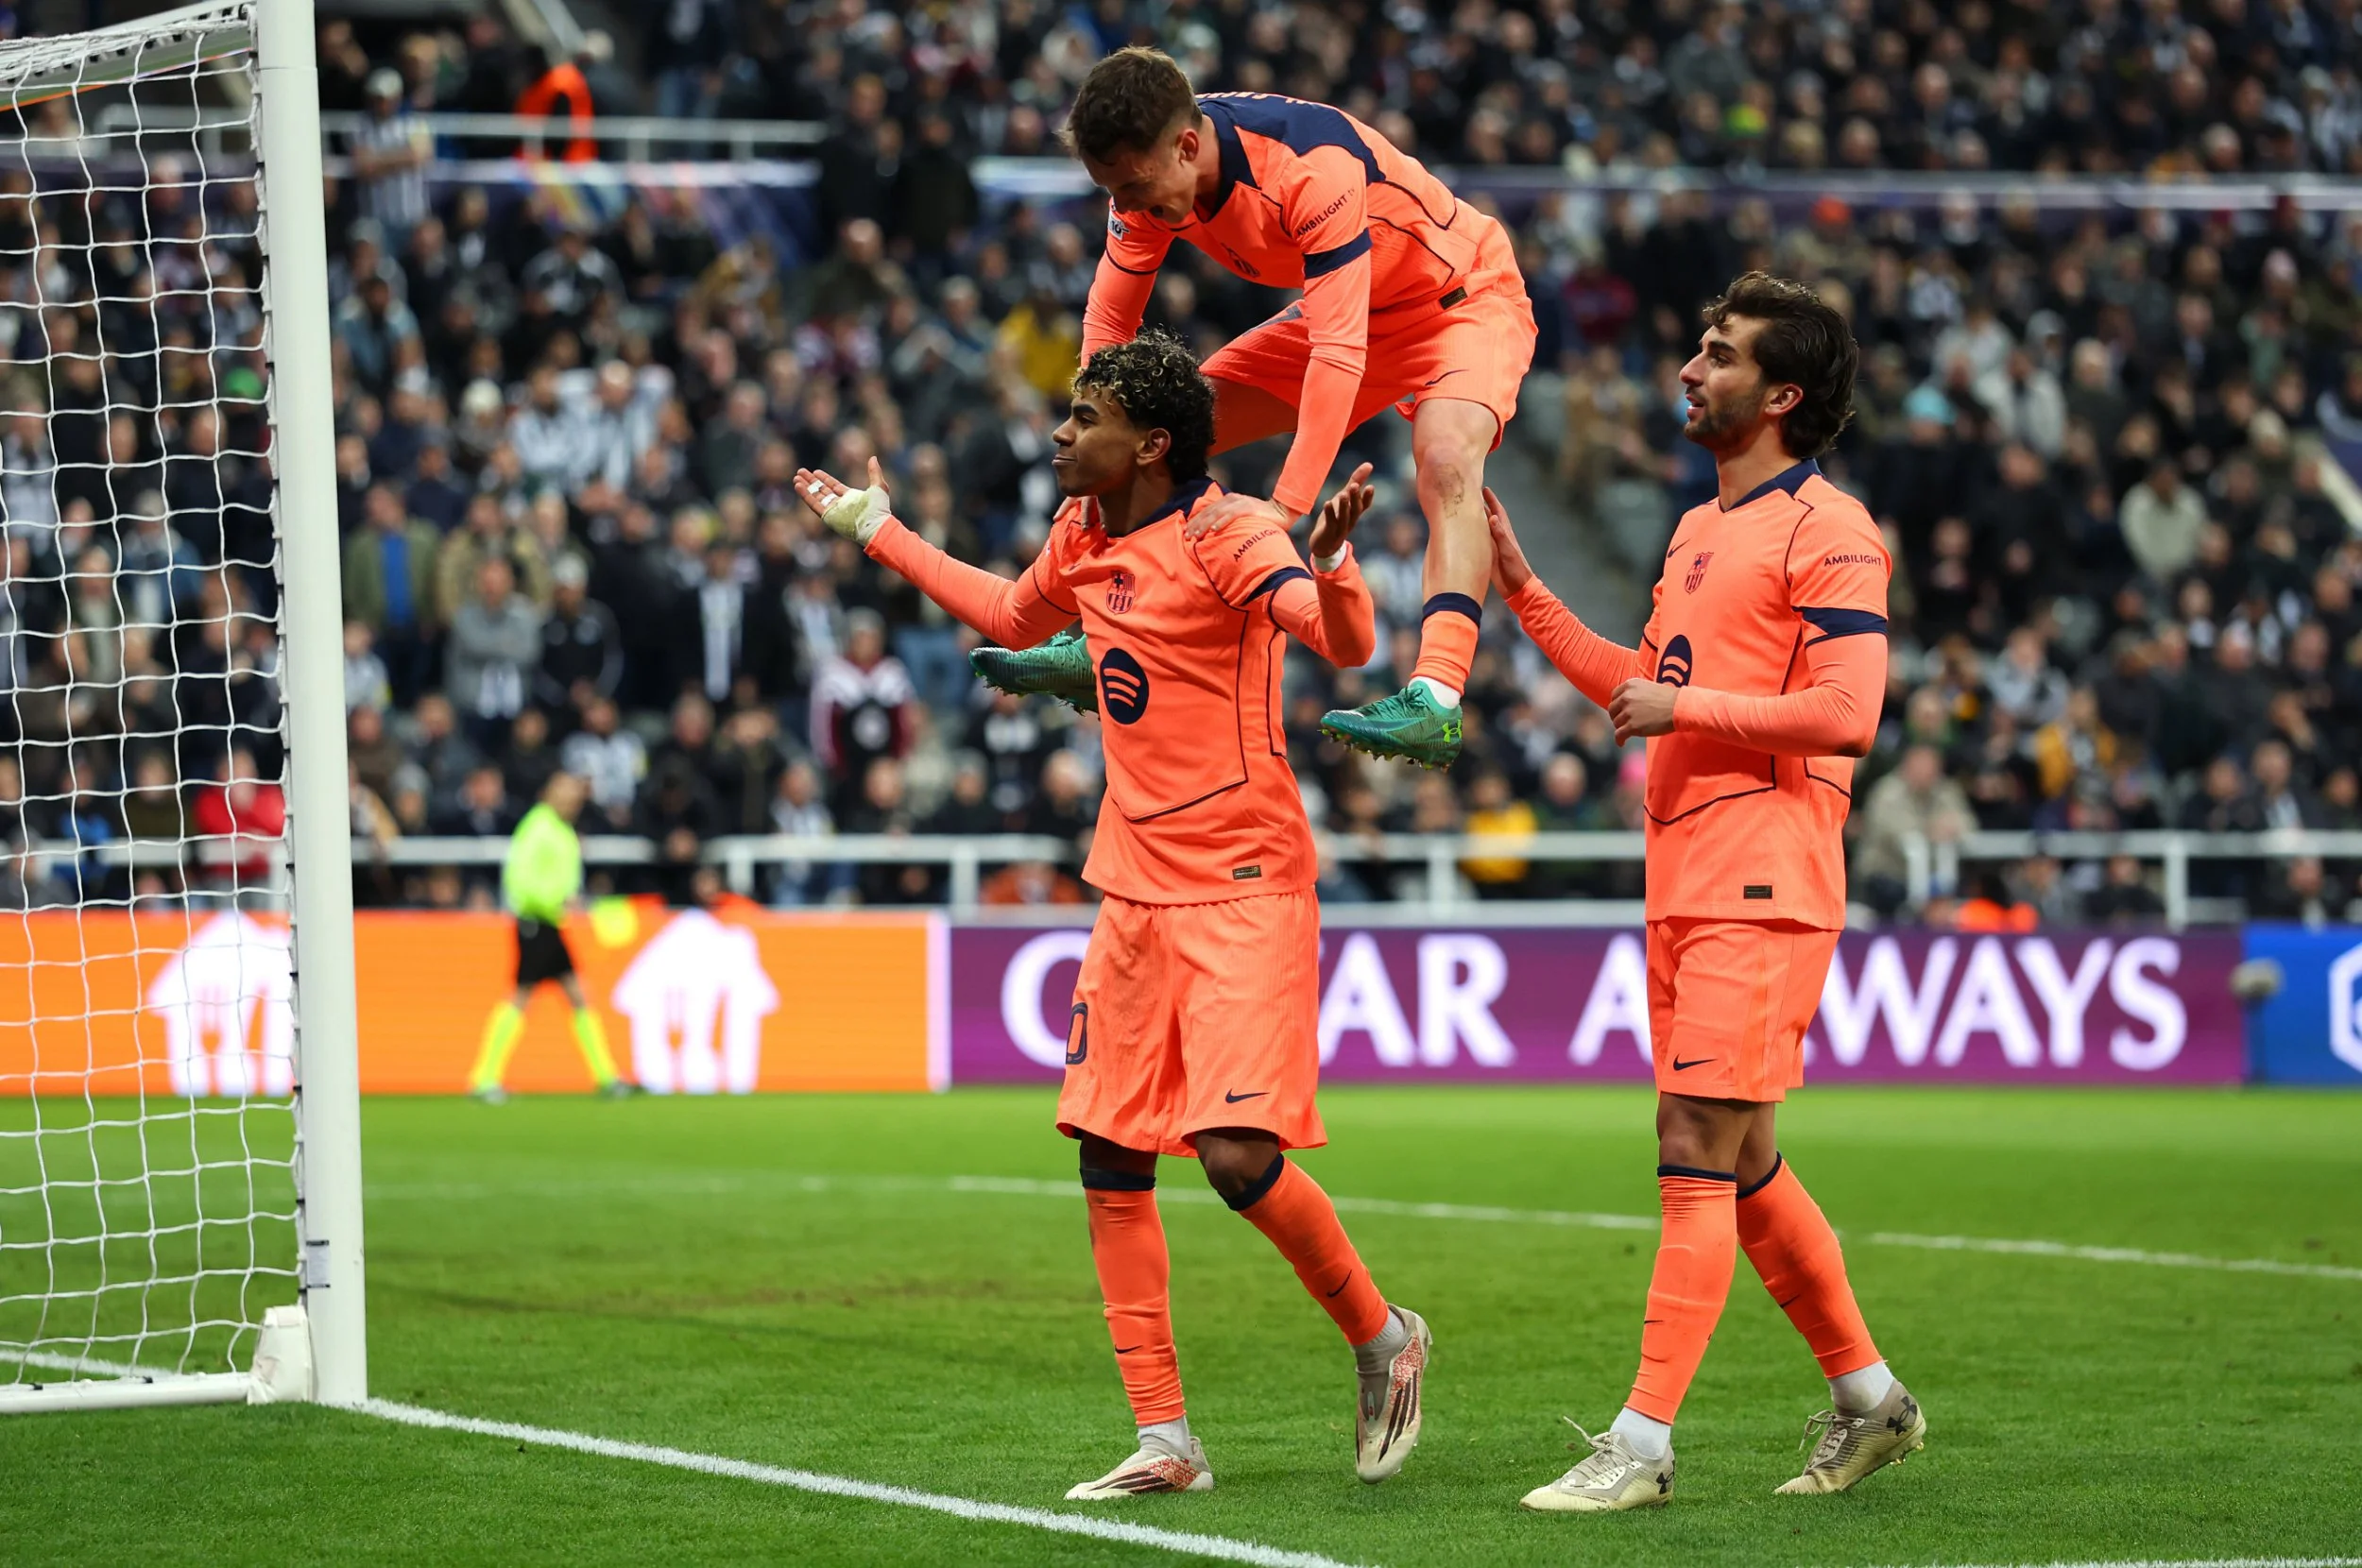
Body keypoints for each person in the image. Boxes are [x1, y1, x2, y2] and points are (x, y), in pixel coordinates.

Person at [794, 332, 1430, 1499]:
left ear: (1150, 442)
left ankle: (1384, 1335)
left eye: (1079, 418)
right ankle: (1166, 1439)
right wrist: (873, 531)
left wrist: (1334, 563)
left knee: (1238, 1160)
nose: (1056, 434)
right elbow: (1009, 608)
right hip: (1134, 883)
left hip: (1242, 883)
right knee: (1109, 1150)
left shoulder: (1231, 532)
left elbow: (1341, 642)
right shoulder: (1085, 535)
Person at [1488, 273, 1925, 1512]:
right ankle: (1871, 1400)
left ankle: (1640, 1444)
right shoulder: (1694, 531)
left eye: (1719, 354)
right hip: (1683, 874)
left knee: (1691, 1144)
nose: (1689, 366)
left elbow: (1848, 715)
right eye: (1698, 343)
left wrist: (1688, 707)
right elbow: (1642, 684)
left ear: (1781, 395)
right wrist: (1524, 586)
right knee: (1746, 1164)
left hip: (1769, 871)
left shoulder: (1829, 530)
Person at [972, 46, 1536, 769]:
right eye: (1117, 194)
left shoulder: (1308, 167)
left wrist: (1286, 504)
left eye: (1141, 190)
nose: (1135, 209)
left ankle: (1437, 698)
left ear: (1184, 145)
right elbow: (1108, 328)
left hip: (1462, 303)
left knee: (1447, 458)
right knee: (1146, 434)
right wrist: (1093, 428)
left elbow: (1339, 356)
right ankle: (1100, 630)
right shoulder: (1140, 187)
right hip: (1352, 310)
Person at [466, 772, 637, 1102]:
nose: (572, 803)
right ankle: (484, 1077)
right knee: (522, 996)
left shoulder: (559, 829)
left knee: (576, 995)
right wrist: (558, 900)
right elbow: (520, 881)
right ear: (551, 795)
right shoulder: (538, 828)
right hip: (537, 922)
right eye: (567, 796)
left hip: (551, 923)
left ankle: (606, 1076)